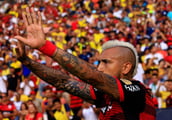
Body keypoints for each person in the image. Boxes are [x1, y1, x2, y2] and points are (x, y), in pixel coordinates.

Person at [14, 7, 156, 120]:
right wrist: (27, 61)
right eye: (99, 62)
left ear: (125, 67)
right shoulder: (104, 95)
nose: (100, 67)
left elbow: (92, 75)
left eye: (106, 62)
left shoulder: (137, 91)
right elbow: (63, 81)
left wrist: (45, 46)